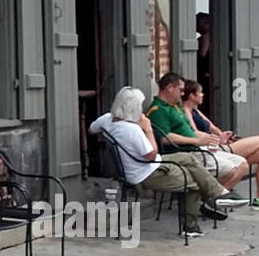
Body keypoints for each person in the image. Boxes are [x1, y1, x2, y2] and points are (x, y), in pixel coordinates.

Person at [89, 85, 233, 238]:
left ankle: (218, 193)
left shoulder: (107, 119)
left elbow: (92, 129)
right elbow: (151, 154)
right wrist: (148, 129)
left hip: (140, 165)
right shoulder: (132, 130)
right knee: (194, 183)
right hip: (147, 171)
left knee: (188, 158)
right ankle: (191, 226)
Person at [180, 78, 259, 209]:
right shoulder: (185, 111)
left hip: (220, 145)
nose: (203, 95)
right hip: (214, 149)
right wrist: (218, 139)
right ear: (191, 95)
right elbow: (194, 133)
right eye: (200, 92)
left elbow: (212, 127)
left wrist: (224, 135)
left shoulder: (196, 110)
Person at [145, 73, 247, 220]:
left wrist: (214, 139)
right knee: (230, 169)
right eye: (180, 90)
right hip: (183, 152)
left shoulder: (175, 107)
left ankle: (209, 199)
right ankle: (211, 199)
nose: (182, 94)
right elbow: (165, 138)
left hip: (197, 148)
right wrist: (196, 142)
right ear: (169, 88)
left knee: (242, 163)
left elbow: (192, 132)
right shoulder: (158, 110)